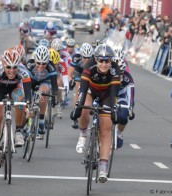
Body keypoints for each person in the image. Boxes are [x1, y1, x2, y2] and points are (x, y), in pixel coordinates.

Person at [70, 44, 120, 183]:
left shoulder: (115, 70)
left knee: (105, 130)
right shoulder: (89, 66)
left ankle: (103, 167)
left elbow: (114, 93)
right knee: (85, 107)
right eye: (101, 60)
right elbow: (83, 89)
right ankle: (83, 134)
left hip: (107, 94)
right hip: (90, 91)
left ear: (111, 61)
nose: (104, 64)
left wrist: (114, 109)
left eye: (107, 61)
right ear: (95, 60)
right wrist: (78, 108)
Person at [0, 48, 32, 168]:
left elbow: (28, 92)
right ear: (3, 65)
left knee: (20, 99)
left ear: (19, 65)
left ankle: (18, 131)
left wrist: (28, 106)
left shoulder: (23, 70)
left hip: (14, 89)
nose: (12, 71)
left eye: (15, 67)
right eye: (8, 67)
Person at [26, 45, 58, 139]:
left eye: (44, 63)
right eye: (38, 63)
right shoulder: (29, 64)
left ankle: (41, 120)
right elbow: (24, 81)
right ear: (34, 60)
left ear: (48, 62)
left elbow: (54, 84)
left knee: (42, 93)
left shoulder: (51, 66)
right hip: (32, 81)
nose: (40, 66)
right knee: (27, 98)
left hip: (45, 81)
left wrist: (54, 95)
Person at [68, 43, 94, 128]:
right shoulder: (77, 58)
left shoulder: (95, 60)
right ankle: (76, 109)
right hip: (80, 73)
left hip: (91, 74)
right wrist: (70, 81)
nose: (86, 59)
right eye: (84, 57)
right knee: (78, 86)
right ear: (81, 56)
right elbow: (70, 73)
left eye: (88, 57)